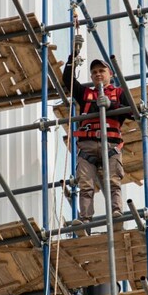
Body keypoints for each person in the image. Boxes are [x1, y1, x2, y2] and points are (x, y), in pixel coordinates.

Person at [62, 54, 132, 235]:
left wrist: (111, 106)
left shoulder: (119, 93)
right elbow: (68, 81)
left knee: (113, 182)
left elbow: (133, 112)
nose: (98, 74)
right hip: (87, 147)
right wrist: (72, 58)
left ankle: (117, 215)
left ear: (110, 73)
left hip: (111, 145)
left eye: (102, 71)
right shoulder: (86, 94)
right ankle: (85, 222)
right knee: (85, 185)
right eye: (94, 72)